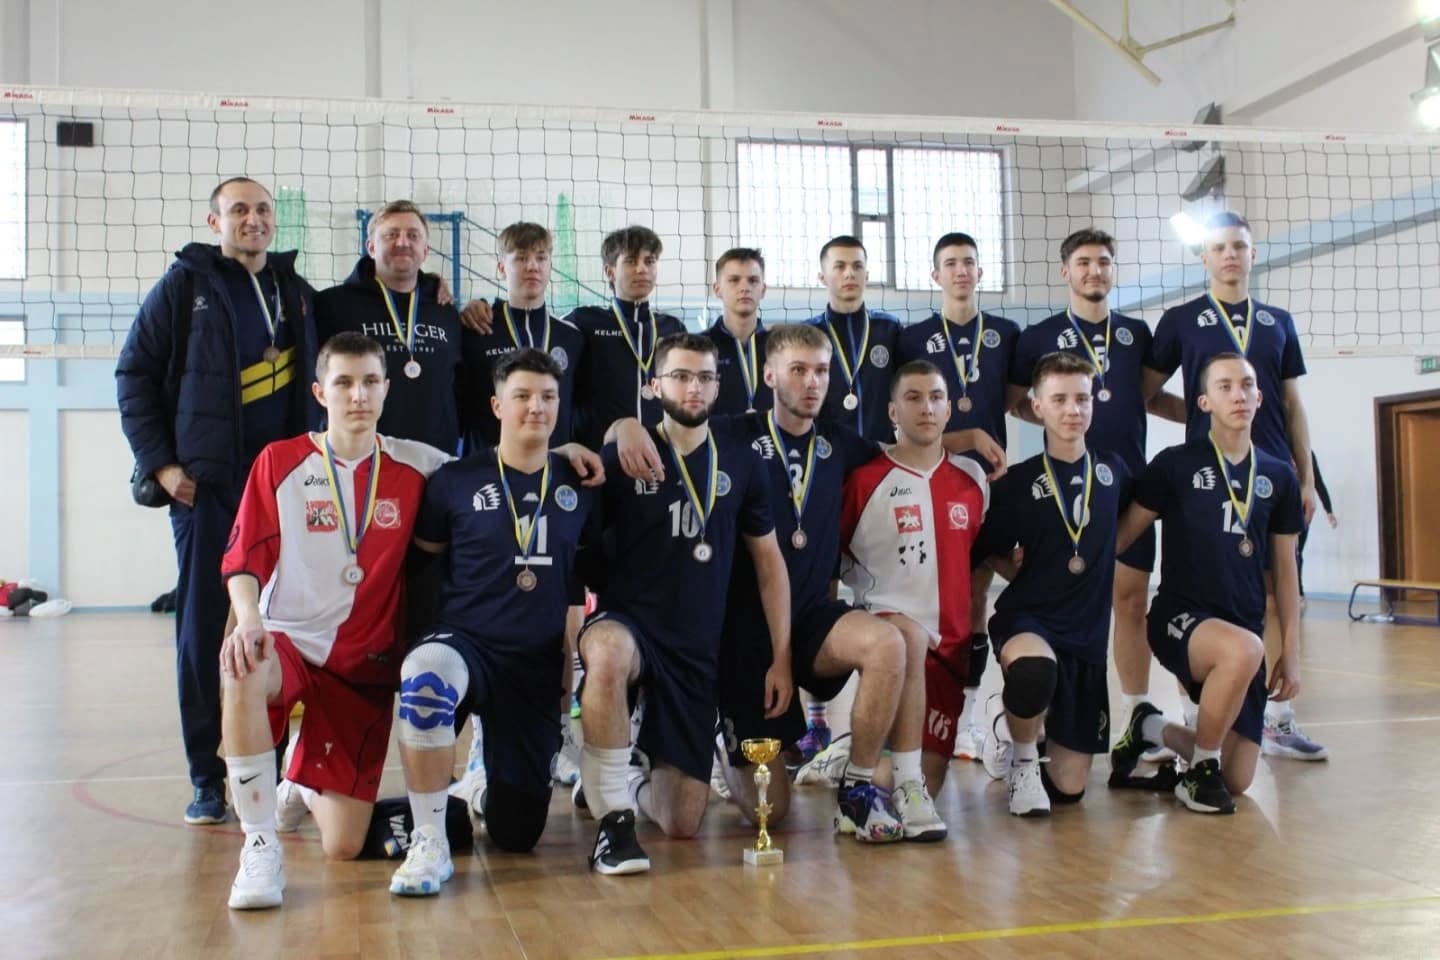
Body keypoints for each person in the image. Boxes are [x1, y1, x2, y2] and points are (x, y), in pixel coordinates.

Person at [705, 325, 998, 843]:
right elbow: (670, 435)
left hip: (812, 619)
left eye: (821, 371)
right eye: (798, 370)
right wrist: (626, 428)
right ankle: (724, 743)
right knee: (773, 811)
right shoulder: (731, 434)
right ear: (769, 375)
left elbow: (910, 446)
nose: (812, 382)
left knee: (893, 640)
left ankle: (857, 791)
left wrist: (970, 437)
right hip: (745, 632)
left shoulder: (840, 443)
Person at [217, 333, 450, 908]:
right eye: (344, 383)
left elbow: (498, 469)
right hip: (287, 641)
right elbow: (243, 560)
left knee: (343, 845)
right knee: (244, 665)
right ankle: (259, 846)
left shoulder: (420, 464)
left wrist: (569, 452)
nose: (358, 395)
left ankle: (299, 780)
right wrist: (247, 622)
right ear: (321, 392)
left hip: (362, 665)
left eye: (370, 382)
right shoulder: (281, 461)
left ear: (387, 389)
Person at [117, 176, 320, 824]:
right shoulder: (185, 287)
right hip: (209, 491)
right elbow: (133, 374)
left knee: (283, 628)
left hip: (283, 491)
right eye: (239, 210)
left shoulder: (295, 291)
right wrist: (161, 465)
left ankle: (275, 768)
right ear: (215, 221)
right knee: (205, 632)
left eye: (262, 210)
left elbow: (360, 314)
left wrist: (438, 293)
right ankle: (208, 778)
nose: (253, 220)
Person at [387, 348, 600, 895]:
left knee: (517, 833)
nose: (537, 407)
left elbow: (583, 576)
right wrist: (413, 645)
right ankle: (429, 841)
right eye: (522, 396)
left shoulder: (580, 484)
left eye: (548, 397)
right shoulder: (455, 480)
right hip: (465, 644)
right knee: (426, 676)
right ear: (497, 405)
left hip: (532, 663)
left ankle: (475, 788)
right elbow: (423, 568)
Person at [578, 333, 790, 875]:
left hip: (695, 646)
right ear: (655, 386)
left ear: (718, 387)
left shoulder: (742, 461)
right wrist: (617, 427)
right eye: (680, 376)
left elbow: (769, 562)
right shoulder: (623, 455)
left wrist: (782, 656)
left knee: (682, 822)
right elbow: (577, 550)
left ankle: (630, 779)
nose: (693, 387)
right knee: (607, 653)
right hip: (630, 626)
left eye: (704, 378)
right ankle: (613, 818)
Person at [1143, 211, 1326, 762]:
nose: (1230, 255)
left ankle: (1278, 718)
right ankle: (1196, 720)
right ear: (1204, 257)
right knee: (1203, 592)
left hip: (1271, 480)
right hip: (1208, 480)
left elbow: (1292, 404)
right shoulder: (1181, 320)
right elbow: (1146, 394)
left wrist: (1306, 478)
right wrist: (1207, 419)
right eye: (1219, 247)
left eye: (1239, 247)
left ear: (1252, 255)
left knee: (1276, 590)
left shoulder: (1277, 321)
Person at [1008, 228, 1184, 763]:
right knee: (1060, 601)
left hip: (1127, 487)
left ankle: (1136, 713)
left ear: (1113, 269)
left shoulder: (1134, 333)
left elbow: (1148, 397)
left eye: (1104, 261)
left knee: (1131, 602)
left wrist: (1205, 417)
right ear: (1066, 271)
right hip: (1063, 490)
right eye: (1083, 262)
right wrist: (1061, 425)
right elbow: (1015, 401)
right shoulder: (1038, 336)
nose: (1094, 270)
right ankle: (1039, 717)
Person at [1112, 353, 1304, 814]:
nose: (1238, 395)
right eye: (1224, 386)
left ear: (1260, 397)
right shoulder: (1175, 464)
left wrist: (1292, 652)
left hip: (1243, 629)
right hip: (1180, 617)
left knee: (1236, 780)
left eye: (1247, 385)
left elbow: (1285, 570)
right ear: (1203, 402)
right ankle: (1199, 774)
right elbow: (1122, 537)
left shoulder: (1278, 475)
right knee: (1244, 650)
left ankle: (1149, 728)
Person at [451, 222, 588, 807]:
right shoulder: (474, 327)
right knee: (493, 620)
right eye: (519, 257)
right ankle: (480, 750)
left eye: (540, 257)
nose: (531, 266)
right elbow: (460, 408)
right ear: (500, 266)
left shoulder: (573, 335)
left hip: (553, 489)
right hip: (491, 493)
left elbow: (580, 410)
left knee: (560, 620)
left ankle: (556, 740)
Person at [977, 352, 1131, 817]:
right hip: (1030, 620)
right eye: (1059, 399)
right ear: (1037, 407)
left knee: (1069, 789)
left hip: (1085, 637)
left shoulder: (1115, 473)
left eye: (1082, 399)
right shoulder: (1017, 483)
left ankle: (1014, 722)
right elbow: (985, 547)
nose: (1072, 410)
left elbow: (1128, 526)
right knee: (1032, 674)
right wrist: (1017, 573)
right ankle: (1023, 760)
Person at [838, 361, 987, 828]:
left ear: (949, 409)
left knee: (932, 780)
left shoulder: (973, 480)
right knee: (912, 787)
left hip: (950, 648)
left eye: (936, 397)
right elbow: (832, 559)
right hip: (894, 640)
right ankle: (868, 772)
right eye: (914, 398)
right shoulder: (865, 482)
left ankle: (847, 756)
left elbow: (979, 559)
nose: (927, 408)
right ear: (892, 412)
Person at [895, 232, 1021, 762]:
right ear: (936, 275)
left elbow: (1014, 400)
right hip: (930, 483)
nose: (961, 271)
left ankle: (966, 721)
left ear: (980, 271)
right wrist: (964, 437)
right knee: (927, 604)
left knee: (974, 600)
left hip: (985, 485)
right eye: (951, 263)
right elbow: (905, 423)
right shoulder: (913, 337)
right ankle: (914, 717)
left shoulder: (1007, 333)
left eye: (969, 262)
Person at [315, 200, 465, 453]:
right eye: (391, 235)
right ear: (371, 247)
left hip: (436, 455)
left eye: (413, 235)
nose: (402, 242)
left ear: (425, 250)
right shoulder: (331, 305)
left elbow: (459, 385)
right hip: (360, 455)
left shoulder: (445, 311)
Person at [703, 247, 772, 416]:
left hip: (771, 433)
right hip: (716, 433)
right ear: (717, 289)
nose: (744, 288)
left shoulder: (780, 346)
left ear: (763, 289)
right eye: (734, 280)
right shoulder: (699, 347)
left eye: (753, 280)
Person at [1297, 451, 1337, 600]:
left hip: (1301, 509)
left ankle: (1298, 590)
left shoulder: (1307, 454)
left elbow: (1318, 483)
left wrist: (1329, 510)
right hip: (1282, 507)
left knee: (1297, 552)